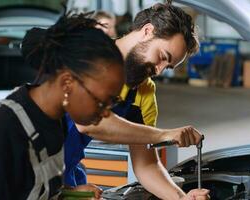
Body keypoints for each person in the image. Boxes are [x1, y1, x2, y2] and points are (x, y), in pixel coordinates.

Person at [0, 12, 125, 200]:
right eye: (101, 101)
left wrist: (69, 194)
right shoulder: (1, 132)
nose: (105, 112)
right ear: (67, 83)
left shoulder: (54, 121)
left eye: (112, 102)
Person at [64, 2, 210, 200]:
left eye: (167, 67)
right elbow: (87, 123)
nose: (158, 70)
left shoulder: (144, 91)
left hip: (65, 173)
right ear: (148, 31)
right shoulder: (88, 52)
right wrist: (164, 135)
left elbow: (146, 165)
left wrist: (181, 198)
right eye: (161, 57)